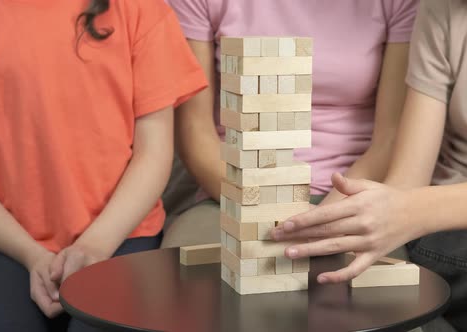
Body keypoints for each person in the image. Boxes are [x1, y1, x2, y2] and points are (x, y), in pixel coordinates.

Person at [271, 0, 467, 331]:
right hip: (454, 226)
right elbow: (408, 177)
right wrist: (315, 229)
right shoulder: (442, 10)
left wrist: (408, 210)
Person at [0, 0, 207, 331]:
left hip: (121, 236)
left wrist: (94, 245)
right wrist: (31, 255)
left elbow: (153, 153)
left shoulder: (141, 9)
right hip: (3, 242)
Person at [161, 0, 419, 249]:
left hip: (351, 193)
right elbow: (194, 130)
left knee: (371, 288)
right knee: (191, 281)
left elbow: (390, 136)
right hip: (236, 187)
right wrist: (268, 206)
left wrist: (326, 217)